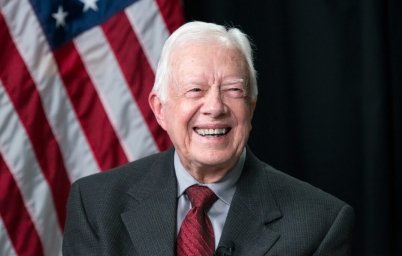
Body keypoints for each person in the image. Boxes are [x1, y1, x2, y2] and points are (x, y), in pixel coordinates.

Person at [62, 21, 354, 256]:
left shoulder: (320, 222)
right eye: (195, 90)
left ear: (251, 107)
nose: (215, 107)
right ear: (160, 109)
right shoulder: (96, 205)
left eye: (233, 90)